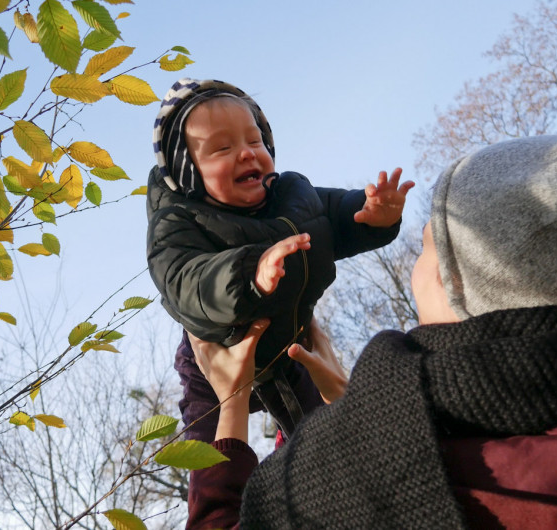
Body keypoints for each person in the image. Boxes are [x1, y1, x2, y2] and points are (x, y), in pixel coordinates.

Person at [186, 134, 557, 529]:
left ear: (451, 282)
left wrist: (229, 401)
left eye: (426, 245)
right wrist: (344, 405)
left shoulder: (377, 477)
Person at [147, 77, 414, 442]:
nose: (246, 153)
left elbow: (333, 216)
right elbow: (184, 279)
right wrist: (249, 275)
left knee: (326, 438)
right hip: (214, 360)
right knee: (211, 449)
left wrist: (372, 214)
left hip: (292, 348)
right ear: (187, 171)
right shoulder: (180, 222)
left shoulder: (291, 196)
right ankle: (223, 492)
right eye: (222, 148)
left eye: (254, 140)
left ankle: (310, 471)